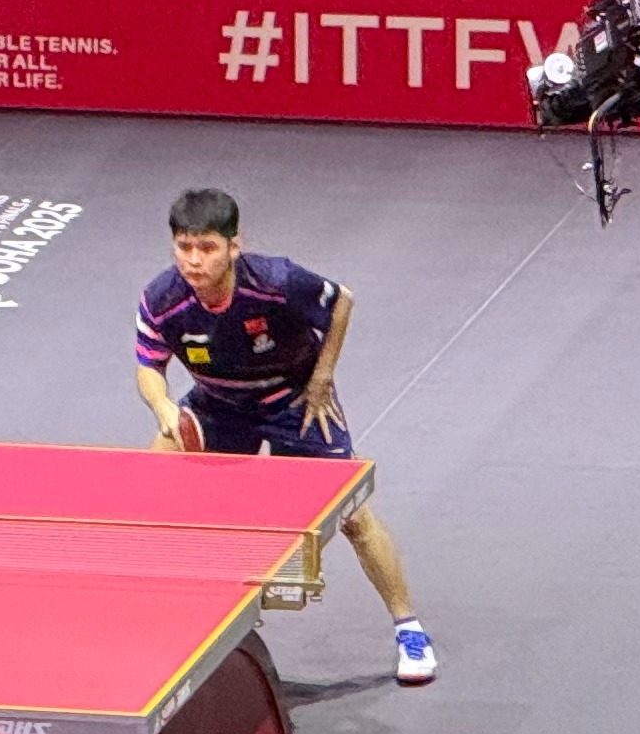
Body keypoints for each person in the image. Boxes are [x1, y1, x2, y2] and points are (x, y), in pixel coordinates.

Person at [133, 188, 437, 686]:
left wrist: (321, 379)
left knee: (354, 517)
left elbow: (341, 302)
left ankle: (409, 628)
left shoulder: (277, 282)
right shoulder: (162, 299)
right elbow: (148, 366)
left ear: (234, 246)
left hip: (293, 401)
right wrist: (163, 404)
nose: (194, 260)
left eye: (207, 247)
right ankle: (180, 617)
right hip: (219, 404)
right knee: (154, 472)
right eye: (184, 247)